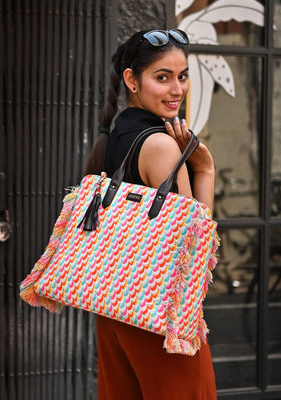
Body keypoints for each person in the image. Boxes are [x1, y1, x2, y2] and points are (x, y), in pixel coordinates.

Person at [85, 29, 217, 399]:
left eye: (183, 75)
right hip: (160, 315)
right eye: (163, 77)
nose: (177, 89)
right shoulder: (161, 146)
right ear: (132, 80)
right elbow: (193, 253)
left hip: (116, 308)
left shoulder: (118, 134)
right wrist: (204, 169)